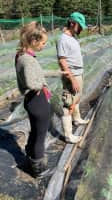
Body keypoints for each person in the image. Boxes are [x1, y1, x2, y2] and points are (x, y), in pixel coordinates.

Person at [15, 21, 51, 178]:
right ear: (34, 41)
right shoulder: (27, 60)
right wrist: (42, 84)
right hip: (37, 100)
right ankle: (38, 168)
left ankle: (30, 158)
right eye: (43, 42)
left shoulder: (21, 55)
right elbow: (30, 83)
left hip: (32, 101)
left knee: (35, 132)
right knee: (40, 135)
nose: (44, 45)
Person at [56, 12, 89, 144]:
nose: (81, 29)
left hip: (78, 73)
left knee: (76, 97)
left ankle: (77, 118)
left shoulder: (73, 38)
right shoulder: (63, 39)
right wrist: (72, 79)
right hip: (72, 75)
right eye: (79, 26)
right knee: (68, 103)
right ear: (72, 23)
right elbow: (62, 61)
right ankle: (68, 135)